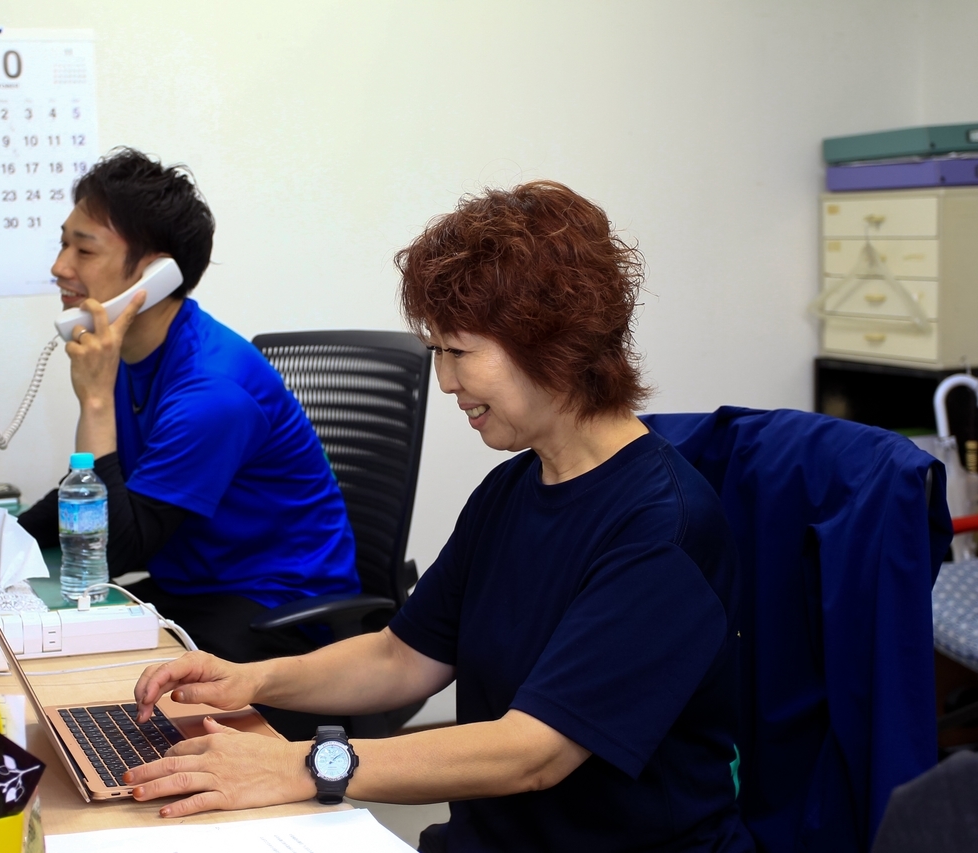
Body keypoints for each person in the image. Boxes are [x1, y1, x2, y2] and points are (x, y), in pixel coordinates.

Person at [124, 181, 755, 852]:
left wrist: (300, 764)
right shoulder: (512, 490)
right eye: (437, 353)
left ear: (554, 344)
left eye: (459, 352)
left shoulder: (664, 528)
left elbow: (534, 752)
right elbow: (401, 657)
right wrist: (250, 678)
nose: (446, 382)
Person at [0, 148, 359, 690]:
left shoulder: (211, 391)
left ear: (155, 274)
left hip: (277, 615)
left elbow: (114, 551)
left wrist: (96, 402)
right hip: (195, 588)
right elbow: (99, 489)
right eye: (63, 244)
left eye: (84, 249)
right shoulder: (134, 351)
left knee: (87, 687)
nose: (60, 267)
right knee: (29, 647)